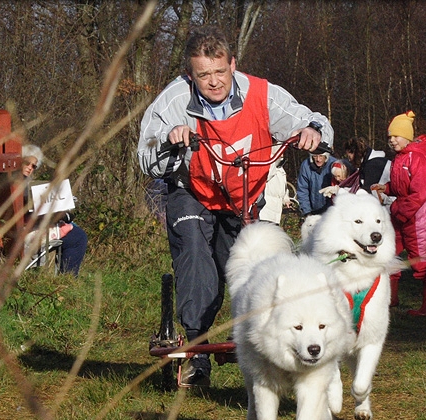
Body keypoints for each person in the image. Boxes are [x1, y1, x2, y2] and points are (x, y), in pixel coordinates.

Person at [136, 25, 333, 387]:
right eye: (203, 75)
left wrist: (313, 135)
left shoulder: (263, 94)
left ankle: (267, 349)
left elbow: (311, 120)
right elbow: (145, 154)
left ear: (233, 64)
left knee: (249, 267)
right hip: (191, 191)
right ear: (190, 74)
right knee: (196, 257)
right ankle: (197, 350)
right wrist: (171, 139)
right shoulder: (174, 99)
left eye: (220, 72)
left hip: (244, 196)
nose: (213, 82)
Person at [385, 110, 426, 315]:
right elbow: (402, 186)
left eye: (396, 136)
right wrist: (387, 188)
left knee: (421, 257)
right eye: (390, 137)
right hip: (403, 211)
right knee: (387, 252)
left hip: (418, 213)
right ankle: (390, 298)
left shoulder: (417, 157)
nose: (392, 140)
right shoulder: (400, 158)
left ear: (407, 136)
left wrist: (400, 211)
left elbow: (420, 190)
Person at [22, 145, 88, 276]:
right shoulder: (23, 186)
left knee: (69, 223)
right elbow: (36, 213)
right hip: (28, 230)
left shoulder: (13, 181)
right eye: (26, 163)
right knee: (78, 236)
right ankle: (68, 278)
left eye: (33, 166)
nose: (30, 167)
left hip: (21, 226)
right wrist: (62, 214)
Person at [296, 151, 337, 216]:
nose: (318, 159)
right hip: (313, 209)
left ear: (326, 156)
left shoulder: (334, 164)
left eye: (321, 156)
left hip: (331, 209)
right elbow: (302, 189)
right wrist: (306, 211)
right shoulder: (305, 165)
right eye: (315, 156)